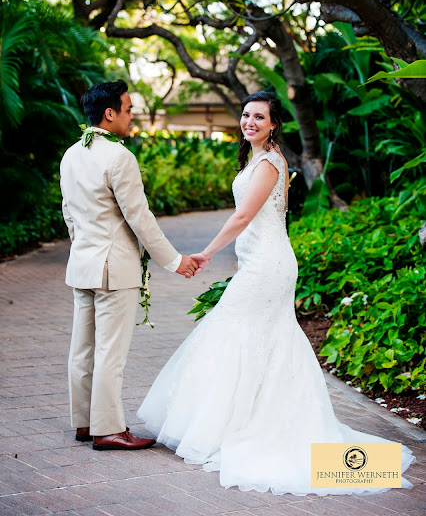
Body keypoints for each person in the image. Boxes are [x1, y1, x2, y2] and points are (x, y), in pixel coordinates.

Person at [137, 91, 415, 495]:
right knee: (255, 337)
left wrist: (206, 253)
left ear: (273, 124)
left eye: (259, 117)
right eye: (246, 115)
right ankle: (237, 420)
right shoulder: (257, 158)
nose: (249, 122)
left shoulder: (268, 162)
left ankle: (244, 426)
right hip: (259, 262)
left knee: (234, 329)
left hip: (269, 266)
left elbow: (245, 216)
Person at [60, 80, 198, 451]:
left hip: (83, 264)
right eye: (129, 108)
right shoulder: (120, 157)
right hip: (114, 269)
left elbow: (69, 213)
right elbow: (140, 217)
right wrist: (175, 261)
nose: (132, 115)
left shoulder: (72, 154)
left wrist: (84, 247)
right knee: (110, 353)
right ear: (110, 114)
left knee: (83, 350)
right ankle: (108, 429)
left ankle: (85, 424)